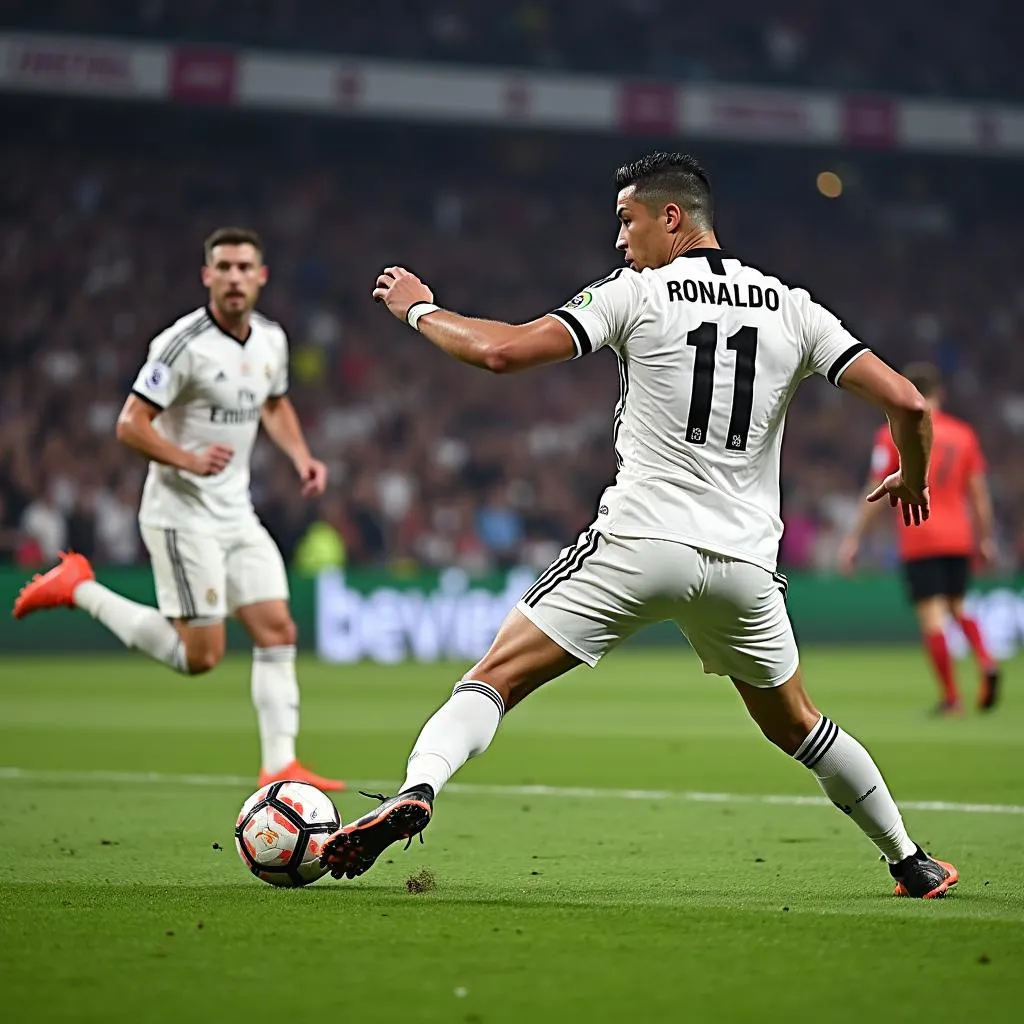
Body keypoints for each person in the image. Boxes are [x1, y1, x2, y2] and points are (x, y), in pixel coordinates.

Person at [320, 152, 956, 899]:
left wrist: (419, 309)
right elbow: (911, 405)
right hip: (746, 566)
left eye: (627, 221)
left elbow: (500, 353)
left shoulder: (639, 294)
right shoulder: (795, 308)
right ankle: (909, 859)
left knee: (492, 679)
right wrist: (913, 476)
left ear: (672, 217)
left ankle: (419, 787)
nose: (620, 241)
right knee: (801, 728)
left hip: (642, 543)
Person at [13, 227, 344, 792]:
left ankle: (279, 764)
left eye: (245, 267)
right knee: (201, 657)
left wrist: (301, 456)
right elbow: (129, 424)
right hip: (180, 513)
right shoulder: (180, 344)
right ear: (207, 276)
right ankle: (78, 587)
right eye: (225, 267)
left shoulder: (270, 340)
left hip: (235, 510)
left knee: (277, 628)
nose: (235, 277)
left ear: (261, 277)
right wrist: (185, 460)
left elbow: (276, 402)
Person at [839, 362, 999, 713]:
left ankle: (952, 698)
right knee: (958, 606)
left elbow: (875, 488)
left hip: (920, 533)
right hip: (959, 536)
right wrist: (985, 539)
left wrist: (854, 538)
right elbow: (979, 495)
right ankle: (986, 660)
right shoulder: (964, 434)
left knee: (932, 616)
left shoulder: (893, 433)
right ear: (940, 392)